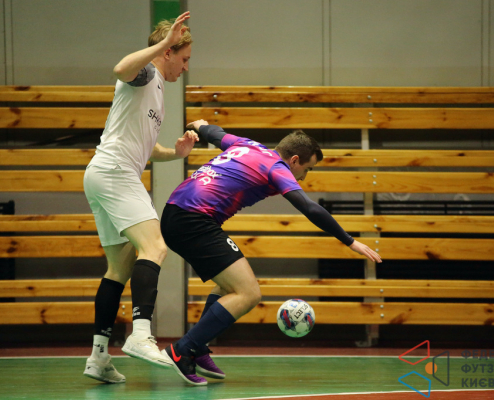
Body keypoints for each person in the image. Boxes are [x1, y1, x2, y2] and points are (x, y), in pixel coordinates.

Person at [159, 120, 383, 385]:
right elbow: (309, 208)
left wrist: (201, 125)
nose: (304, 177)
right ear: (295, 160)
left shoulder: (248, 145)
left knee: (229, 285)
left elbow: (215, 134)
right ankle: (183, 350)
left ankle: (197, 347)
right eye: (307, 169)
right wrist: (350, 241)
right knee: (248, 293)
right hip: (193, 220)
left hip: (176, 212)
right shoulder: (277, 168)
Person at [82, 12, 198, 384]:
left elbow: (147, 148)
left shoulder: (157, 90)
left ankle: (99, 356)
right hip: (115, 172)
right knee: (156, 247)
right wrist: (163, 43)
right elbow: (120, 68)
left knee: (119, 268)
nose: (185, 66)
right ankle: (141, 334)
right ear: (167, 52)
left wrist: (176, 152)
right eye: (183, 58)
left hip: (103, 173)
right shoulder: (146, 72)